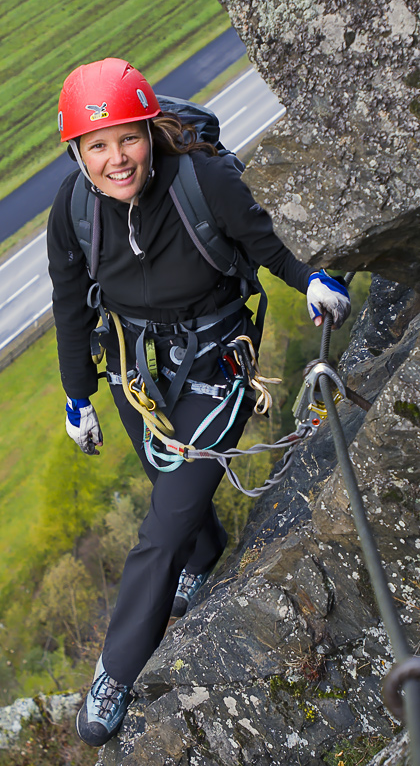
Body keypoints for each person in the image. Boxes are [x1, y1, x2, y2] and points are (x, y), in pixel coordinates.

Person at [46, 57, 350, 747]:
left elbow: (267, 243)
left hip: (217, 358)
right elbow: (70, 304)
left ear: (150, 132)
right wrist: (77, 397)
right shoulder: (72, 211)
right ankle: (203, 550)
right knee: (171, 491)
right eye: (97, 145)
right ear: (77, 152)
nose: (115, 158)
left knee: (161, 525)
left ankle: (115, 671)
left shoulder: (202, 181)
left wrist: (311, 281)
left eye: (127, 137)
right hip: (136, 366)